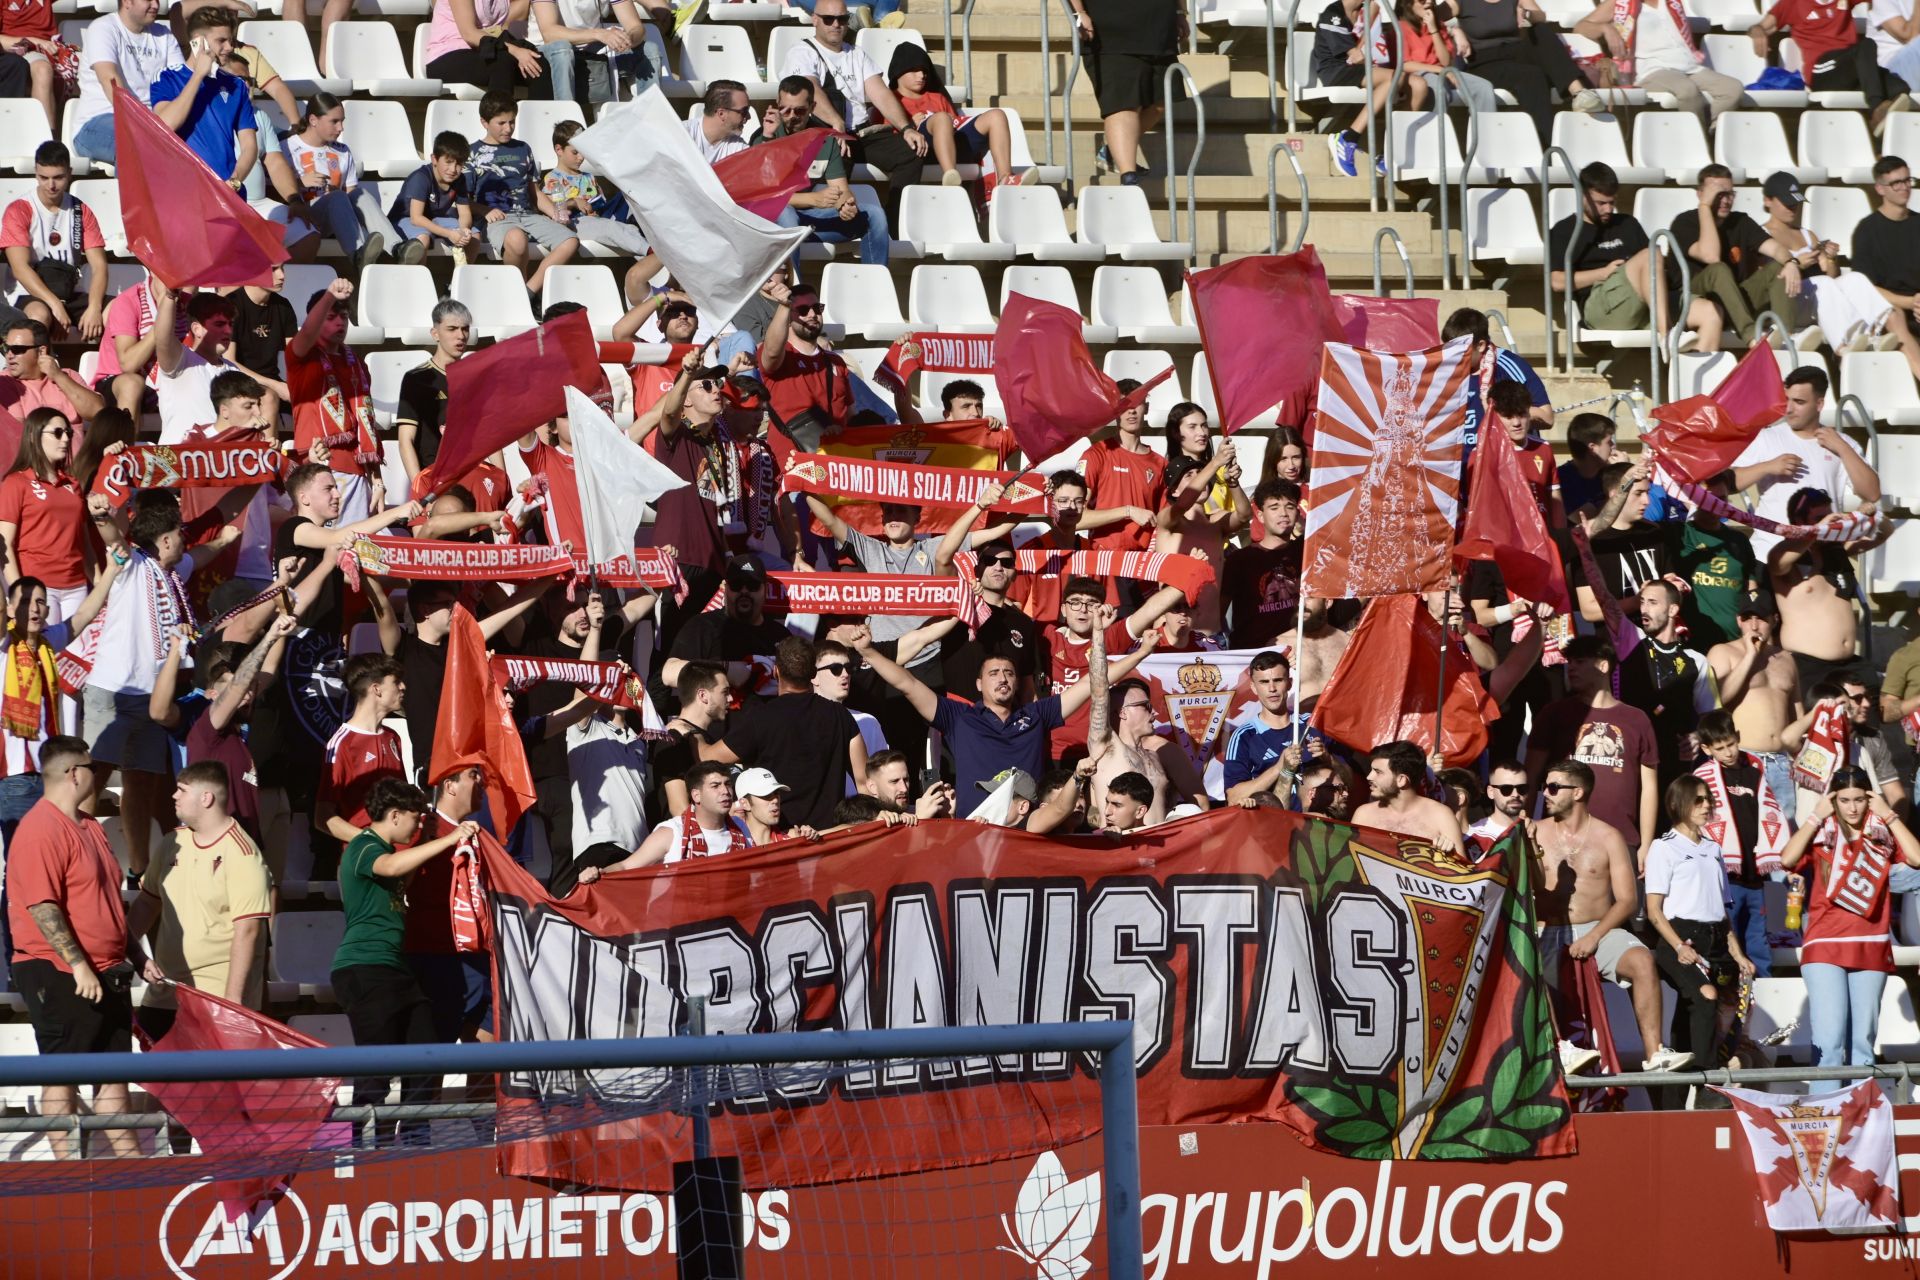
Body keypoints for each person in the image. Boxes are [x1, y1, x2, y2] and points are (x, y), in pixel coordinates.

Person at [4, 735, 142, 1158]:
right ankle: (66, 1171)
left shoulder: (91, 827)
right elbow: (43, 906)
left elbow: (106, 903)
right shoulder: (40, 828)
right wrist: (79, 965)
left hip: (107, 969)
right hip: (58, 970)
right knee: (60, 1073)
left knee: (113, 1076)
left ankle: (133, 1170)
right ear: (74, 773)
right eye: (93, 767)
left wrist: (139, 956)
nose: (98, 775)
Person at [332, 778, 479, 1146]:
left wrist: (430, 841)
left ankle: (413, 1138)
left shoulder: (387, 848)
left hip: (393, 969)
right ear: (394, 815)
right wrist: (449, 838)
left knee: (425, 1053)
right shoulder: (363, 845)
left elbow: (403, 875)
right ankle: (367, 1151)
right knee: (375, 1068)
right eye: (414, 819)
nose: (417, 826)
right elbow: (392, 868)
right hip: (364, 967)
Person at [851, 623, 1141, 800]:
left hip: (1026, 829)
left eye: (1009, 673)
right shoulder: (958, 716)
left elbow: (1095, 680)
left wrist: (1142, 652)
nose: (1002, 678)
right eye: (993, 673)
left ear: (1017, 683)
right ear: (978, 683)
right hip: (976, 829)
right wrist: (868, 652)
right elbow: (907, 683)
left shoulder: (1037, 714)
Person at [1533, 758, 1691, 1075]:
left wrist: (1594, 936)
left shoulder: (1609, 837)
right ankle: (1559, 1050)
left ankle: (1655, 1054)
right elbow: (1528, 890)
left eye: (1552, 788)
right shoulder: (1534, 832)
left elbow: (1628, 900)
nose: (1545, 794)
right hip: (1548, 929)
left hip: (1599, 927)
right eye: (1544, 787)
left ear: (1577, 792)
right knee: (1526, 966)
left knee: (1642, 960)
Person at [1781, 766, 1920, 1072]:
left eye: (1859, 799)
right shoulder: (1821, 831)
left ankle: (1860, 1116)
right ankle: (1828, 1114)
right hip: (1824, 943)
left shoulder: (1882, 833)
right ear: (1834, 799)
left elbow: (1917, 857)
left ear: (1869, 797)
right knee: (1829, 1043)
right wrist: (1815, 815)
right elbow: (1787, 858)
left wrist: (1889, 815)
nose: (1853, 807)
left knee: (1863, 1046)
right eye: (1844, 800)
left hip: (1870, 944)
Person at [125, 761, 271, 1039]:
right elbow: (147, 903)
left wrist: (232, 1001)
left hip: (215, 997)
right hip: (165, 991)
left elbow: (248, 930)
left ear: (206, 798)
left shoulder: (242, 853)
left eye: (182, 790)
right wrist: (125, 949)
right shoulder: (171, 843)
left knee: (215, 1083)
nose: (173, 796)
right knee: (153, 1078)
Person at [1644, 774, 1757, 1097]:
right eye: (1699, 800)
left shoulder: (1713, 849)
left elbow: (1723, 911)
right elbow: (1654, 910)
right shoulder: (1664, 848)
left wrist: (1738, 954)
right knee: (1705, 996)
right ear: (1679, 804)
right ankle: (1709, 1087)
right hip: (1680, 936)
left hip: (1715, 938)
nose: (1707, 805)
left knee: (1691, 1011)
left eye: (1709, 799)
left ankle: (1677, 1095)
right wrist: (1678, 945)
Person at [778, 0, 926, 224]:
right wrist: (836, 125)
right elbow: (811, 91)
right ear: (815, 20)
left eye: (843, 19)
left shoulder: (856, 53)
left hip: (861, 134)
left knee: (912, 152)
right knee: (836, 161)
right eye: (829, 19)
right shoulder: (802, 52)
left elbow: (881, 93)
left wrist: (906, 128)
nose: (836, 24)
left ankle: (894, 222)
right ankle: (832, 227)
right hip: (825, 133)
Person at [707, 636, 867, 830]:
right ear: (812, 673)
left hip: (780, 840)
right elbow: (865, 782)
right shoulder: (840, 715)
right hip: (829, 840)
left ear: (776, 671)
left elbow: (709, 758)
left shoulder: (761, 718)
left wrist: (691, 731)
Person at [1730, 365, 1881, 566]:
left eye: (1799, 402)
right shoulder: (1766, 438)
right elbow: (1730, 484)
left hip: (1823, 554)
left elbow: (1872, 494)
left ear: (1819, 404)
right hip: (1769, 554)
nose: (1789, 409)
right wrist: (1767, 467)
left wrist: (1843, 449)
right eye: (1787, 400)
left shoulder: (1842, 442)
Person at [1529, 634, 1661, 862]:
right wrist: (1525, 828)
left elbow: (1649, 787)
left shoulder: (1637, 719)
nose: (1571, 668)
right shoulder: (1554, 714)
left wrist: (1646, 845)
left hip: (1621, 841)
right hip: (1559, 837)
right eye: (1570, 662)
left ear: (1603, 665)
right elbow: (1530, 777)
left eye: (1580, 662)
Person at [1085, 614, 1207, 825]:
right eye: (1146, 707)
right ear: (1122, 712)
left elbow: (1197, 805)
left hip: (1159, 852)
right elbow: (1098, 688)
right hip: (1122, 850)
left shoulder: (1156, 757)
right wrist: (1098, 633)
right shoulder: (1105, 749)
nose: (1154, 713)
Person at [1665, 165, 1804, 350]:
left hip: (1734, 303)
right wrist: (1705, 207)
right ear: (1701, 194)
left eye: (1730, 194)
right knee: (1719, 269)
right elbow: (1711, 255)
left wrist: (1791, 262)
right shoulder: (1684, 222)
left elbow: (1776, 249)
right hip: (1697, 301)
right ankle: (1752, 339)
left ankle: (1786, 337)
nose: (1725, 200)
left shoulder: (1741, 221)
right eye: (1718, 194)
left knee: (1779, 268)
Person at [1693, 709, 1787, 979]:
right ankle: (1729, 996)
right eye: (1720, 748)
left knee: (1757, 937)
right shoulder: (1702, 778)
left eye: (1731, 744)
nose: (1728, 752)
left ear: (1738, 737)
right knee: (1727, 939)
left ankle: (1764, 990)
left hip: (1755, 876)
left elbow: (1772, 816)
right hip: (1724, 879)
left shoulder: (1755, 772)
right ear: (1706, 749)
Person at [762, 77, 891, 269]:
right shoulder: (766, 135)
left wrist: (846, 205)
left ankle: (874, 288)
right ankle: (793, 294)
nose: (791, 116)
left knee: (875, 215)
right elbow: (765, 199)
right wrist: (813, 199)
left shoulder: (825, 141)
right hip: (772, 225)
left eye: (799, 110)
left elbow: (841, 190)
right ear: (777, 104)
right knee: (787, 214)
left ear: (812, 107)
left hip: (809, 222)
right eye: (785, 109)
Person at [1759, 171, 1891, 350]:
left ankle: (1873, 334)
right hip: (1786, 304)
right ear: (1768, 201)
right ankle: (1844, 344)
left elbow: (1832, 276)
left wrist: (1829, 259)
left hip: (1814, 300)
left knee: (1855, 279)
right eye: (1787, 203)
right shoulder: (1762, 236)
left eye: (1795, 202)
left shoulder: (1807, 234)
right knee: (1823, 284)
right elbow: (1765, 280)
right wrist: (1797, 263)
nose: (1793, 208)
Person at [1705, 589, 1803, 824]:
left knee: (1786, 835)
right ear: (1738, 620)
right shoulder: (1722, 652)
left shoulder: (1786, 659)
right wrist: (1749, 655)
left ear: (1774, 620)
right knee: (1746, 833)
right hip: (1744, 760)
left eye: (1761, 618)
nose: (1754, 625)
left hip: (1782, 762)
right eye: (1747, 618)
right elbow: (1716, 699)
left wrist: (1801, 756)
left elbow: (1797, 714)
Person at [470, 93, 579, 296]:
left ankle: (527, 293)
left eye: (512, 122)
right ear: (484, 122)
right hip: (498, 218)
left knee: (570, 241)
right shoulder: (472, 153)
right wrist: (484, 210)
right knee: (516, 240)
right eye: (501, 123)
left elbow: (533, 190)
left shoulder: (522, 148)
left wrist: (554, 212)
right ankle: (516, 293)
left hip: (529, 215)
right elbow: (462, 199)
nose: (508, 128)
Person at [1450, 0, 1602, 143]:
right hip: (1483, 61)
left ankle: (1578, 91)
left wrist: (1527, 14)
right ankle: (1548, 148)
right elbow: (1429, 19)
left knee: (1540, 30)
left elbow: (1540, 16)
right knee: (1532, 75)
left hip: (1515, 52)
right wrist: (1455, 30)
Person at [1, 144, 109, 342]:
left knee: (118, 311)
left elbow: (100, 266)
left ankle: (109, 370)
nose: (51, 185)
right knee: (39, 316)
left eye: (58, 177)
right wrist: (54, 305)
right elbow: (20, 268)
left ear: (69, 173)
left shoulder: (80, 209)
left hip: (69, 291)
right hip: (29, 294)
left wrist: (95, 307)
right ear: (36, 173)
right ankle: (39, 371)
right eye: (44, 177)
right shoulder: (19, 209)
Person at [285, 91, 403, 271]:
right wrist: (300, 182)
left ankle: (397, 248)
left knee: (359, 194)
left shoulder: (343, 150)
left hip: (336, 216)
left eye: (342, 121)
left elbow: (351, 193)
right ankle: (357, 253)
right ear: (313, 120)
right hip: (302, 218)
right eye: (334, 121)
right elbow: (270, 189)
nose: (341, 128)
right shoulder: (287, 147)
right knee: (339, 197)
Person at [0, 408, 91, 641]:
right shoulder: (16, 482)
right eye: (58, 432)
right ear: (34, 435)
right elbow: (4, 545)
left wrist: (98, 581)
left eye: (68, 432)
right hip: (38, 587)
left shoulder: (72, 484)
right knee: (46, 656)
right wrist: (20, 591)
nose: (66, 439)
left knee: (77, 663)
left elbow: (84, 540)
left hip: (76, 585)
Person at [1574, 0, 1743, 123]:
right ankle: (1696, 141)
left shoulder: (1672, 3)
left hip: (1688, 66)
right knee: (1687, 90)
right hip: (1651, 68)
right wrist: (1606, 28)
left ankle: (1710, 132)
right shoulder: (1621, 3)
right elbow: (1581, 26)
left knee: (1732, 89)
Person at [888, 43, 1023, 196]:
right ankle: (951, 176)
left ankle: (1005, 177)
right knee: (941, 118)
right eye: (914, 70)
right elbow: (885, 140)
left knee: (996, 115)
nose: (921, 75)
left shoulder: (937, 97)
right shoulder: (890, 101)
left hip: (953, 145)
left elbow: (954, 123)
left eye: (924, 71)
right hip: (919, 152)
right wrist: (911, 125)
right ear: (899, 72)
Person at [1618, 579, 1717, 786]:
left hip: (1674, 767)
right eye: (1642, 602)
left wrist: (1697, 735)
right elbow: (1606, 602)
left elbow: (1711, 715)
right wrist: (1585, 552)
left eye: (1652, 602)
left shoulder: (1697, 660)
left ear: (1673, 609)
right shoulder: (1632, 641)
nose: (1644, 609)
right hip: (1630, 760)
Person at [1768, 487, 1868, 693]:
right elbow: (1777, 563)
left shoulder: (1837, 552)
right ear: (1799, 520)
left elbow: (1883, 532)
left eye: (1829, 516)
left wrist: (1867, 516)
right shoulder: (1785, 553)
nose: (1828, 523)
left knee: (1870, 719)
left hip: (1850, 664)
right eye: (1820, 517)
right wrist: (1816, 530)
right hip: (1809, 667)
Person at [580, 761, 752, 877]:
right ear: (696, 795)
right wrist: (599, 873)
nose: (725, 791)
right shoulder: (672, 832)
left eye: (727, 784)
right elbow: (626, 867)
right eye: (715, 786)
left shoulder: (740, 827)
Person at [149, 7, 256, 191]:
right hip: (184, 193)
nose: (229, 48)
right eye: (221, 41)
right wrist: (198, 76)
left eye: (230, 40)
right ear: (198, 42)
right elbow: (165, 125)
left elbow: (249, 146)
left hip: (228, 193)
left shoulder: (236, 85)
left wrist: (234, 182)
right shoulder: (167, 77)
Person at [71, 0, 185, 166]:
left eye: (157, 0)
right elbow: (110, 81)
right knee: (137, 145)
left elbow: (180, 83)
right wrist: (147, 125)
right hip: (98, 123)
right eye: (148, 0)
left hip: (152, 124)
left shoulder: (164, 35)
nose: (155, 5)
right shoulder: (103, 28)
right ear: (126, 1)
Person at [314, 653, 408, 846]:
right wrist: (370, 841)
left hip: (399, 855)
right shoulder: (342, 744)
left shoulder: (393, 737)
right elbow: (322, 817)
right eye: (396, 682)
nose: (403, 687)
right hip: (364, 859)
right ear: (376, 689)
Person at [1667, 470, 1759, 650]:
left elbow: (1752, 590)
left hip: (1736, 644)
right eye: (1709, 499)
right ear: (1695, 499)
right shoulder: (1679, 535)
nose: (1716, 505)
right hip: (1693, 645)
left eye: (1722, 499)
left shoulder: (1739, 540)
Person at [1223, 650, 1326, 806]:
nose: (1272, 688)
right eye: (1264, 682)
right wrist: (1279, 767)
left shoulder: (1312, 724)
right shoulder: (1244, 736)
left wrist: (1328, 758)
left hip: (1315, 824)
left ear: (1290, 683)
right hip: (1272, 824)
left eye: (1278, 680)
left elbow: (1349, 779)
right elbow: (1233, 798)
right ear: (1253, 687)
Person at [1851, 155, 1920, 385]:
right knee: (1894, 316)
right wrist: (1912, 303)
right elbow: (1866, 288)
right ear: (1880, 188)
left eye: (1907, 180)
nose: (1905, 187)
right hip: (1892, 311)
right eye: (1896, 183)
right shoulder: (1867, 231)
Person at [1310, 0, 1394, 178]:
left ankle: (1389, 155)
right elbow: (1356, 57)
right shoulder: (1332, 14)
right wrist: (1370, 21)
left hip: (1356, 69)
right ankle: (1349, 137)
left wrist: (1370, 18)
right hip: (1335, 71)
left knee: (1408, 83)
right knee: (1394, 78)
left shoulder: (1363, 12)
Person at [1221, 480, 1303, 650]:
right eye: (1274, 508)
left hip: (1300, 654)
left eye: (1290, 506)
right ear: (1259, 515)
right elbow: (1217, 614)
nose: (1283, 513)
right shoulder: (1240, 560)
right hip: (1253, 658)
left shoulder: (1307, 552)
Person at [530, 0, 654, 107]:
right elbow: (550, 34)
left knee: (649, 49)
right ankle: (567, 124)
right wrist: (598, 34)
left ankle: (649, 121)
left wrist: (627, 39)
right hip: (550, 52)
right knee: (563, 50)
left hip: (591, 49)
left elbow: (637, 27)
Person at [1351, 740, 1464, 851]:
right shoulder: (1363, 815)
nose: (1369, 777)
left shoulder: (1441, 816)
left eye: (1378, 772)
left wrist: (1449, 855)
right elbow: (1348, 860)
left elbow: (1461, 867)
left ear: (1402, 780)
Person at [423, 0, 546, 98]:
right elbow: (469, 34)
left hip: (486, 51)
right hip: (448, 55)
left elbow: (516, 15)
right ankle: (498, 121)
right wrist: (515, 51)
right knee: (502, 60)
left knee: (537, 62)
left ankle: (542, 121)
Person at [391, 132, 480, 266]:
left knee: (474, 237)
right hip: (405, 220)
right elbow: (416, 218)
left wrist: (464, 230)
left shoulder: (460, 179)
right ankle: (417, 283)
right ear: (434, 159)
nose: (453, 169)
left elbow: (465, 213)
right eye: (448, 162)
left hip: (435, 220)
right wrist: (449, 233)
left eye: (459, 164)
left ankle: (456, 284)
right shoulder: (421, 178)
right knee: (422, 241)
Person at [735, 767, 821, 844]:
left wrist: (808, 842)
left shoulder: (791, 839)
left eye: (776, 793)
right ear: (745, 804)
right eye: (766, 795)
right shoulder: (732, 844)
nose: (775, 800)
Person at [1467, 760, 1530, 847]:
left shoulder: (1537, 831)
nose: (1515, 795)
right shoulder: (1474, 837)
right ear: (1491, 792)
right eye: (1506, 789)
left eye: (1522, 788)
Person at [1101, 769, 1155, 834]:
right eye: (1107, 802)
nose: (1106, 812)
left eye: (1117, 805)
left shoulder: (1159, 842)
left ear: (1140, 811)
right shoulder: (1094, 840)